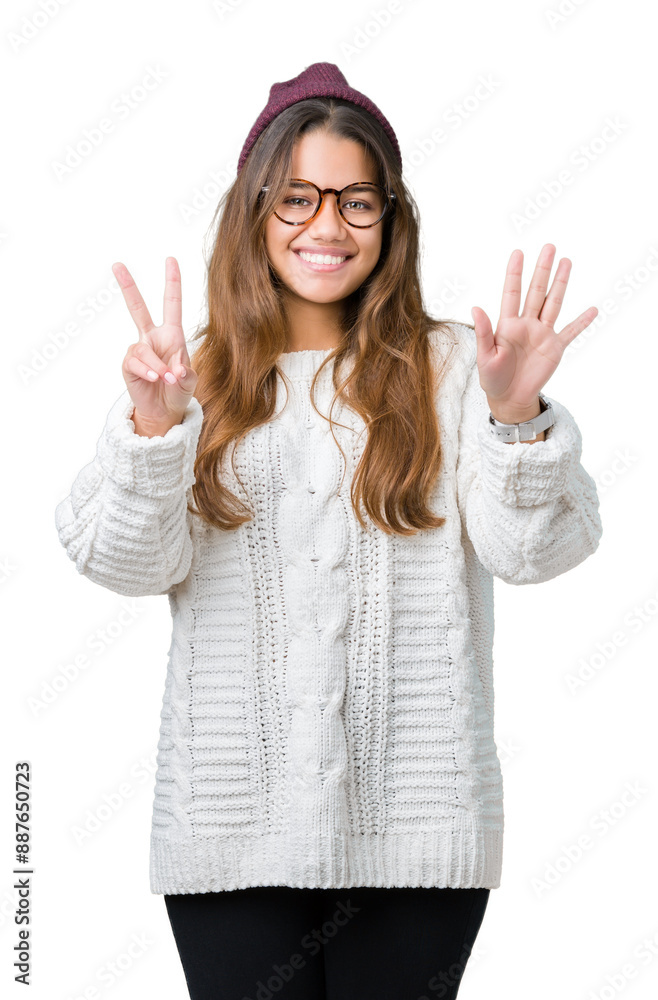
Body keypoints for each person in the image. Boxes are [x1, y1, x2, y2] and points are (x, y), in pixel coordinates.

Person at [54, 62, 603, 1000]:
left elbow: (539, 550)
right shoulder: (192, 376)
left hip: (417, 833)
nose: (326, 226)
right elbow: (119, 560)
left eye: (357, 200)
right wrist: (152, 428)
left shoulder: (459, 367)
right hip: (231, 831)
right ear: (256, 211)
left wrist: (516, 417)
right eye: (297, 198)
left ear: (391, 218)